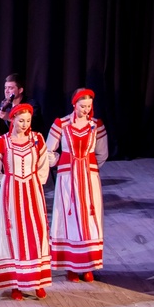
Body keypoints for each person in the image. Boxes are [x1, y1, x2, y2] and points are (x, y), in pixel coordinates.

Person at [0, 104, 51, 300]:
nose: (24, 125)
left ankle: (37, 280)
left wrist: (35, 182)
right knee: (12, 233)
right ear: (12, 120)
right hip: (12, 193)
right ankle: (15, 283)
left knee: (35, 233)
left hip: (31, 191)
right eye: (20, 121)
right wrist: (6, 183)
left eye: (28, 121)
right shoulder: (2, 142)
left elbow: (43, 164)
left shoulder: (37, 140)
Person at [47, 89, 109, 282]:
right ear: (74, 104)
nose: (86, 110)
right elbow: (48, 151)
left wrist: (88, 167)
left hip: (89, 179)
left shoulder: (96, 125)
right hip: (68, 179)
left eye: (89, 106)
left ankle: (88, 265)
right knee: (69, 218)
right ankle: (71, 267)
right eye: (82, 106)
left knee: (89, 219)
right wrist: (62, 162)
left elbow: (102, 153)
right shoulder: (62, 124)